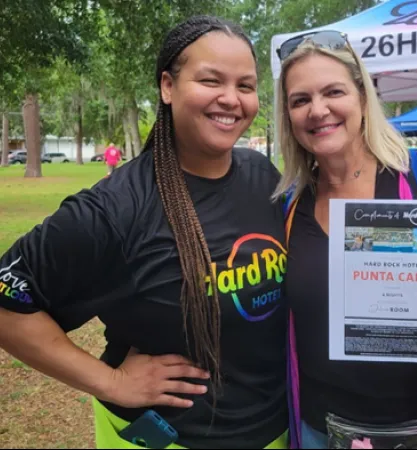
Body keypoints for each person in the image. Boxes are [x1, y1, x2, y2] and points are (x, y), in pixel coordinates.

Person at [0, 16, 288, 449]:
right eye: (211, 80)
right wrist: (112, 382)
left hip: (278, 432)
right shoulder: (114, 209)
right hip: (167, 440)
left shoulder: (263, 175)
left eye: (245, 86)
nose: (231, 99)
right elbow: (7, 303)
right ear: (167, 87)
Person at [273, 30, 417, 449]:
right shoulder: (287, 207)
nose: (318, 110)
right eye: (300, 100)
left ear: (362, 97)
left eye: (333, 91)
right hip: (319, 430)